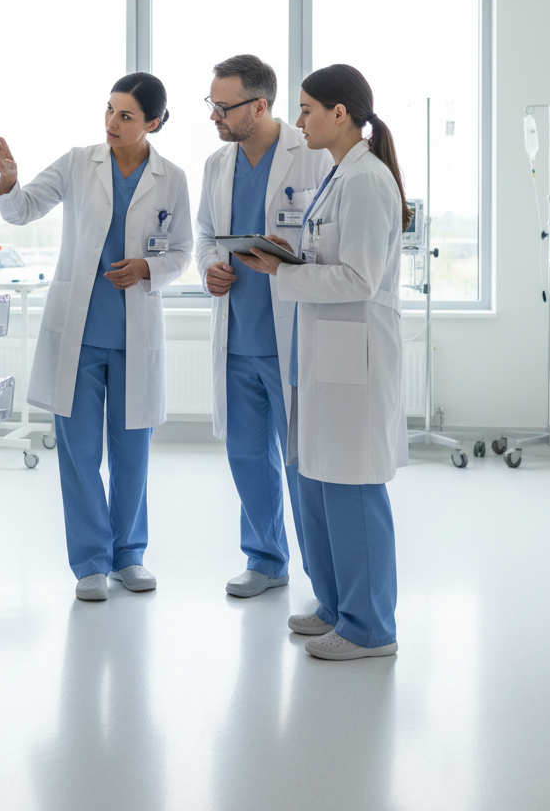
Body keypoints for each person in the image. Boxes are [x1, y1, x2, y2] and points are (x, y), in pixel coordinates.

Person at [0, 72, 192, 601]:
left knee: (131, 452)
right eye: (109, 110)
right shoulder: (80, 162)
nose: (111, 123)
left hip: (133, 330)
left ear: (154, 123)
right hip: (78, 331)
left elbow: (182, 251)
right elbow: (24, 208)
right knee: (78, 453)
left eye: (126, 115)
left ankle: (130, 555)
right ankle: (91, 562)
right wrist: (9, 178)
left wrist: (147, 267)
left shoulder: (172, 177)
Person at [241, 63, 409, 660]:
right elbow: (331, 259)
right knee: (318, 480)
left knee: (353, 488)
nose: (301, 119)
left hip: (354, 360)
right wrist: (291, 259)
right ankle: (338, 607)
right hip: (325, 355)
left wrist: (287, 271)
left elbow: (361, 277)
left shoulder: (366, 180)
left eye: (308, 109)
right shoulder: (341, 174)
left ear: (341, 114)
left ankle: (371, 630)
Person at [195, 55, 331, 599]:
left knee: (303, 464)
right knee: (248, 457)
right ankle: (265, 558)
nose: (214, 116)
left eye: (222, 107)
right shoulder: (216, 165)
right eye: (211, 104)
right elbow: (205, 235)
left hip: (292, 339)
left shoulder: (311, 156)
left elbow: (328, 240)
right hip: (238, 338)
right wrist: (210, 266)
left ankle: (323, 577)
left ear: (260, 105)